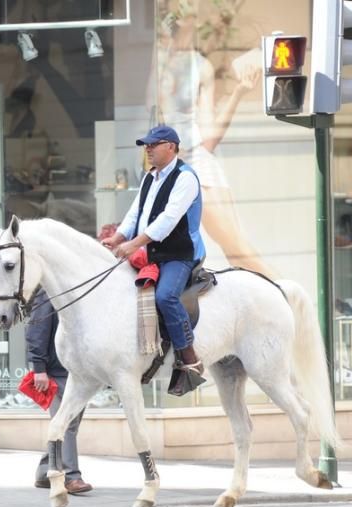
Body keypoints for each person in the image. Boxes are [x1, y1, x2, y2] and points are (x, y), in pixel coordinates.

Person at [153, 0, 277, 279]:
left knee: (236, 249)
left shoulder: (201, 67)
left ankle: (286, 298)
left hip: (196, 162)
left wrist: (238, 93)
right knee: (235, 251)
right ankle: (283, 300)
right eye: (183, 12)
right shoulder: (156, 58)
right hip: (173, 165)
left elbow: (208, 139)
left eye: (192, 14)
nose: (191, 20)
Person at [101, 124, 207, 396]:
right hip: (152, 253)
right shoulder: (151, 177)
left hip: (179, 255)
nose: (147, 149)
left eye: (153, 144)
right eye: (146, 145)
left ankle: (190, 358)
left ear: (171, 146)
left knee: (165, 297)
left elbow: (167, 222)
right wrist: (118, 237)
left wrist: (133, 244)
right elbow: (136, 213)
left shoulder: (186, 178)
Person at [27, 288, 93, 494]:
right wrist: (39, 368)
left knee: (65, 424)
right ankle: (71, 477)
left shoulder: (76, 289)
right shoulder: (49, 293)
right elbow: (37, 328)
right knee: (67, 425)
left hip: (76, 371)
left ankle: (45, 470)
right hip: (57, 372)